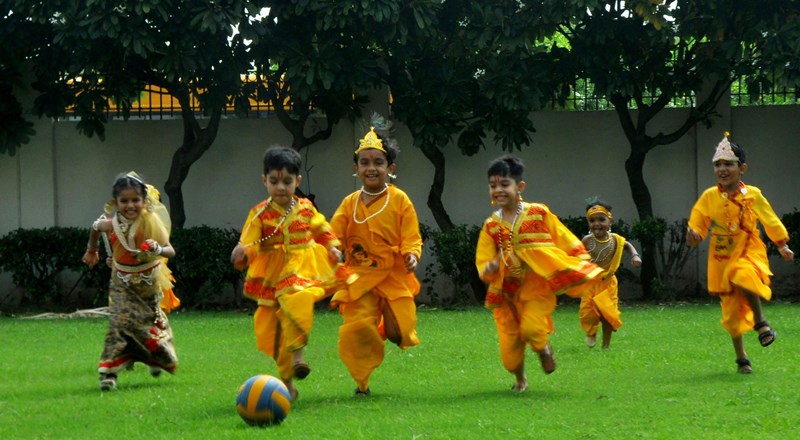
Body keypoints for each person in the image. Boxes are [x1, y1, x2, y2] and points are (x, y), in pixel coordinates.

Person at [475, 155, 602, 392]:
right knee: (509, 354)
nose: (498, 190)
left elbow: (563, 237)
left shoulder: (538, 213)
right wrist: (489, 268)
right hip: (507, 295)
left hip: (537, 289)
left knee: (532, 329)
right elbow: (483, 259)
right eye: (493, 186)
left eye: (504, 184)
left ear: (519, 187)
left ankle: (543, 349)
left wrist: (581, 258)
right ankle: (520, 378)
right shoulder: (491, 226)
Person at [231, 146, 348, 401]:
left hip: (302, 267)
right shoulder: (259, 213)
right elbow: (249, 242)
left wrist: (333, 247)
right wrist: (241, 253)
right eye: (274, 182)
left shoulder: (306, 208)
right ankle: (287, 383)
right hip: (270, 274)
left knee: (296, 295)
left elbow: (322, 228)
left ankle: (298, 356)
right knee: (269, 331)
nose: (281, 188)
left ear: (298, 181)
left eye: (287, 182)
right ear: (265, 181)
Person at [329, 115, 423, 397]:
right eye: (365, 163)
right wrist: (332, 248)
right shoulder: (350, 203)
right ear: (356, 168)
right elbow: (333, 234)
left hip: (393, 276)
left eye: (378, 162)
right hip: (359, 277)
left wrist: (412, 255)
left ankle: (381, 332)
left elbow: (412, 236)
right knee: (356, 330)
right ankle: (362, 384)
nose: (371, 168)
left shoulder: (400, 200)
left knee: (401, 333)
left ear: (390, 168)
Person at [686, 132, 794, 374]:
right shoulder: (709, 196)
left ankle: (760, 322)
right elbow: (697, 227)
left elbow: (770, 219)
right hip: (721, 255)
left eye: (728, 164)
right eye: (718, 165)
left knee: (742, 273)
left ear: (742, 168)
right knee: (732, 311)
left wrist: (782, 245)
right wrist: (692, 235)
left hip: (749, 248)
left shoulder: (753, 194)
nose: (722, 169)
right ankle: (742, 359)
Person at [82, 172, 178, 391]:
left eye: (135, 200)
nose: (130, 205)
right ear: (115, 202)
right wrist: (91, 250)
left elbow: (170, 251)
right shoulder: (110, 224)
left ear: (145, 201)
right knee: (119, 322)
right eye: (124, 201)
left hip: (148, 284)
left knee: (150, 325)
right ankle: (109, 373)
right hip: (121, 282)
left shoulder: (152, 224)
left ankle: (155, 358)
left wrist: (157, 249)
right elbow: (95, 228)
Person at [579, 200, 641, 349]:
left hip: (608, 283)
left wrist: (635, 255)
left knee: (607, 315)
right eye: (592, 220)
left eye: (601, 219)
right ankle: (591, 332)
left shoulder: (615, 240)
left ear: (610, 221)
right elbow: (577, 256)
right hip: (590, 283)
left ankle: (605, 346)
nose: (597, 223)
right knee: (588, 314)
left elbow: (627, 245)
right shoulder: (586, 241)